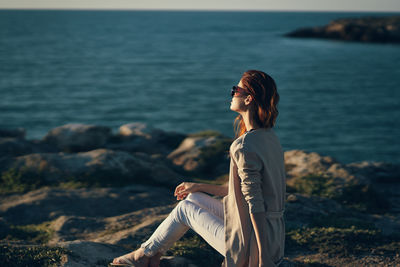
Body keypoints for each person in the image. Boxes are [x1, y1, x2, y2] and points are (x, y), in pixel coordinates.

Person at [110, 70, 286, 267]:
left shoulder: (243, 146)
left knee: (185, 209)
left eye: (236, 90)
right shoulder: (270, 138)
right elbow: (243, 192)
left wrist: (263, 258)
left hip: (250, 244)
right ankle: (150, 253)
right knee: (193, 198)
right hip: (274, 234)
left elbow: (255, 203)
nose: (232, 93)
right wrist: (198, 186)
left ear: (249, 99)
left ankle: (142, 256)